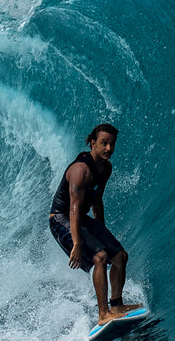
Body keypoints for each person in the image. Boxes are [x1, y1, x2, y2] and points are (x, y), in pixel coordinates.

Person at [49, 123, 140, 325]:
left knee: (120, 256)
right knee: (100, 256)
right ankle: (103, 314)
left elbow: (97, 201)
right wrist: (77, 243)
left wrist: (103, 233)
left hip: (81, 217)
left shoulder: (105, 168)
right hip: (61, 218)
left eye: (112, 144)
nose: (109, 148)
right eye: (104, 143)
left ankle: (116, 304)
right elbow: (73, 208)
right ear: (92, 143)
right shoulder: (80, 170)